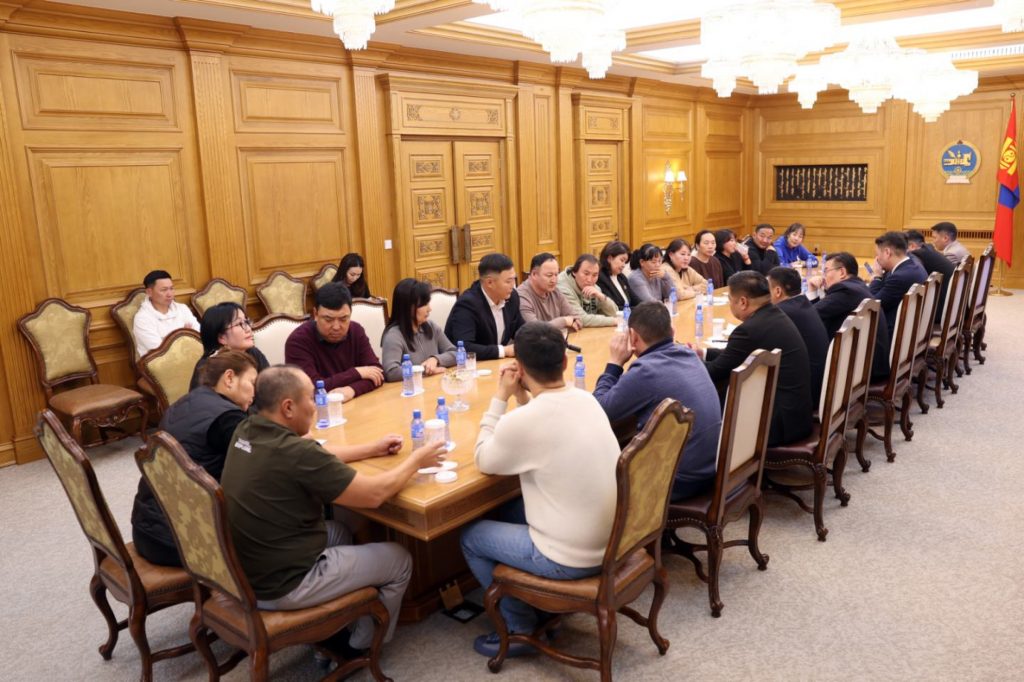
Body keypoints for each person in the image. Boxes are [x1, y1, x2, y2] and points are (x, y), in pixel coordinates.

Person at [221, 366, 446, 658]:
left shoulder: (247, 429)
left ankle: (338, 618)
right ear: (288, 407)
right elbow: (374, 494)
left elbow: (314, 452)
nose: (316, 406)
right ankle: (362, 647)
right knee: (400, 560)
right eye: (311, 399)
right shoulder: (295, 454)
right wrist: (416, 460)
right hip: (282, 585)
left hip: (244, 570)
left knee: (339, 530)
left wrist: (372, 448)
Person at [459, 322, 620, 658]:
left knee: (471, 536)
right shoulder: (586, 399)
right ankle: (540, 605)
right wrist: (523, 396)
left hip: (572, 557)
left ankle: (519, 628)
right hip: (614, 540)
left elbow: (483, 458)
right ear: (565, 362)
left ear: (519, 368)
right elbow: (538, 427)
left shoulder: (525, 421)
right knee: (508, 510)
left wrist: (501, 396)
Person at [133, 350, 258, 567]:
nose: (255, 392)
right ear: (229, 378)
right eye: (252, 383)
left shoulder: (184, 402)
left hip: (147, 529)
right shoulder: (226, 419)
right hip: (183, 543)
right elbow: (262, 466)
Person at [592, 302, 721, 501]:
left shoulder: (646, 371)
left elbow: (599, 410)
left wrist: (614, 364)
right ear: (672, 330)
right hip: (710, 468)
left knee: (592, 471)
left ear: (633, 336)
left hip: (676, 481)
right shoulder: (689, 354)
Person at [695, 272, 813, 447]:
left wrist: (686, 362)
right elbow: (736, 355)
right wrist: (703, 353)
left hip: (777, 424)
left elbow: (713, 373)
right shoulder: (774, 315)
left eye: (730, 300)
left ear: (743, 302)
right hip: (796, 415)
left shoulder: (749, 330)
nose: (730, 304)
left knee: (705, 403)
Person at [285, 283, 383, 400]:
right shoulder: (298, 341)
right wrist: (356, 373)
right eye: (328, 319)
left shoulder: (355, 330)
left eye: (343, 319)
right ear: (315, 314)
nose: (336, 327)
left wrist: (352, 390)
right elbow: (311, 390)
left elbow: (378, 373)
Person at [806, 252, 891, 382]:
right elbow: (818, 314)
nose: (823, 276)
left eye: (826, 271)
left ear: (842, 272)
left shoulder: (845, 290)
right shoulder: (858, 286)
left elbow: (809, 316)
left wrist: (811, 291)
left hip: (859, 370)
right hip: (869, 363)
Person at [444, 253, 526, 360]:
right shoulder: (467, 304)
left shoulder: (512, 297)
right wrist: (503, 350)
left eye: (514, 279)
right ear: (489, 282)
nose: (513, 285)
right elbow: (464, 347)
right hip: (467, 366)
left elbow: (522, 330)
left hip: (496, 363)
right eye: (508, 281)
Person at [767, 267, 829, 408]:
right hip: (820, 382)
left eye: (767, 288)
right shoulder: (802, 303)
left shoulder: (782, 313)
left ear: (777, 291)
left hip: (806, 392)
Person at [380, 278, 457, 382]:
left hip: (434, 385)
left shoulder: (431, 326)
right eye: (424, 304)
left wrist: (435, 359)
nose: (429, 309)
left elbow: (456, 353)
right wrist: (424, 369)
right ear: (408, 307)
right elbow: (391, 372)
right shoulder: (393, 336)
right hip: (409, 389)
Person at [189, 302, 270, 390]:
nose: (248, 329)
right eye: (239, 324)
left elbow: (270, 387)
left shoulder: (252, 352)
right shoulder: (207, 368)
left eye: (246, 322)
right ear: (221, 337)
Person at [868, 231, 928, 345]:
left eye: (878, 254)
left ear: (887, 252)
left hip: (894, 335)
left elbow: (872, 304)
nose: (877, 259)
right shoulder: (913, 265)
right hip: (911, 329)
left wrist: (876, 276)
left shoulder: (900, 277)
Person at [132, 270, 200, 356]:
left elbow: (199, 335)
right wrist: (185, 336)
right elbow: (160, 351)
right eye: (164, 290)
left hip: (193, 354)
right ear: (149, 292)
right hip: (160, 362)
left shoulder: (182, 308)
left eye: (171, 288)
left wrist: (169, 340)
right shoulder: (142, 318)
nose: (169, 294)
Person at [516, 253, 580, 330]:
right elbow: (535, 329)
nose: (554, 280)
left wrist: (570, 321)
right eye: (549, 275)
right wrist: (564, 321)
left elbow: (576, 318)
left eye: (556, 275)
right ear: (534, 274)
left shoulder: (555, 291)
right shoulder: (521, 296)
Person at [906, 229, 954, 323]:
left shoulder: (916, 255)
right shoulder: (928, 249)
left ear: (912, 246)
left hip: (941, 312)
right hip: (951, 306)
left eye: (901, 247)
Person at [556, 254, 618, 327]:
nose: (589, 280)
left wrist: (602, 297)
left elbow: (615, 313)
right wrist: (613, 321)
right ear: (574, 272)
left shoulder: (595, 288)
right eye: (586, 274)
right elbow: (580, 319)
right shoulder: (563, 288)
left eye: (594, 275)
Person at [596, 240, 639, 310]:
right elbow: (614, 307)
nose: (624, 265)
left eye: (625, 262)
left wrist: (646, 307)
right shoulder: (600, 278)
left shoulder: (621, 277)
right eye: (622, 260)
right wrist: (637, 310)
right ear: (610, 258)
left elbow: (636, 300)